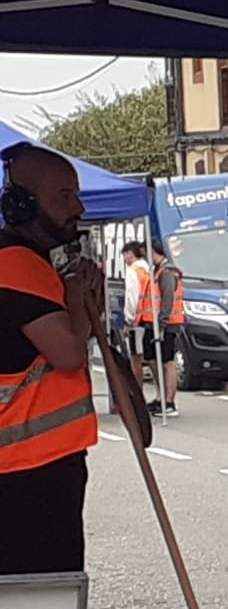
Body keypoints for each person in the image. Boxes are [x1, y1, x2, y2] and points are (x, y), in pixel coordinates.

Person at [0, 143, 101, 575]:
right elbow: (68, 353)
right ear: (22, 205)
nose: (77, 207)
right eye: (63, 195)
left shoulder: (28, 263)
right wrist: (77, 297)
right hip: (25, 471)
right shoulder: (16, 263)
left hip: (35, 467)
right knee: (40, 602)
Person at [139, 239, 185, 416]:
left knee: (167, 361)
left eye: (146, 254)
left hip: (166, 324)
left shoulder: (167, 273)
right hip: (153, 322)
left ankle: (169, 401)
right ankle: (161, 396)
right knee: (152, 358)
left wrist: (162, 324)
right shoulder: (158, 271)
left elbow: (167, 300)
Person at [120, 239, 152, 388]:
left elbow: (132, 297)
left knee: (135, 358)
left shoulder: (133, 271)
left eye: (125, 254)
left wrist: (128, 320)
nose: (125, 258)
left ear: (131, 254)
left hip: (136, 321)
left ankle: (137, 391)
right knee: (150, 357)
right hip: (149, 317)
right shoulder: (148, 268)